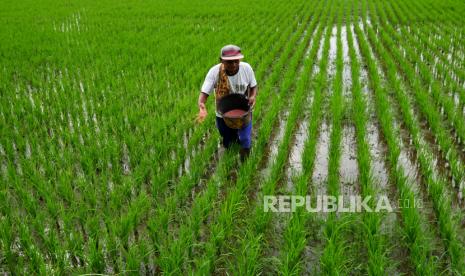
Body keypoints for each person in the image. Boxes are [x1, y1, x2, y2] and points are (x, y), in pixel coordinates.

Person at [196, 44, 258, 161]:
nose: (233, 65)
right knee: (228, 140)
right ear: (221, 61)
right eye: (229, 62)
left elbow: (253, 86)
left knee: (245, 139)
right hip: (223, 115)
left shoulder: (246, 68)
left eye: (236, 61)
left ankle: (245, 163)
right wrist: (202, 106)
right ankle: (230, 158)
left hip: (244, 112)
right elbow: (203, 94)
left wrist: (253, 96)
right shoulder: (214, 72)